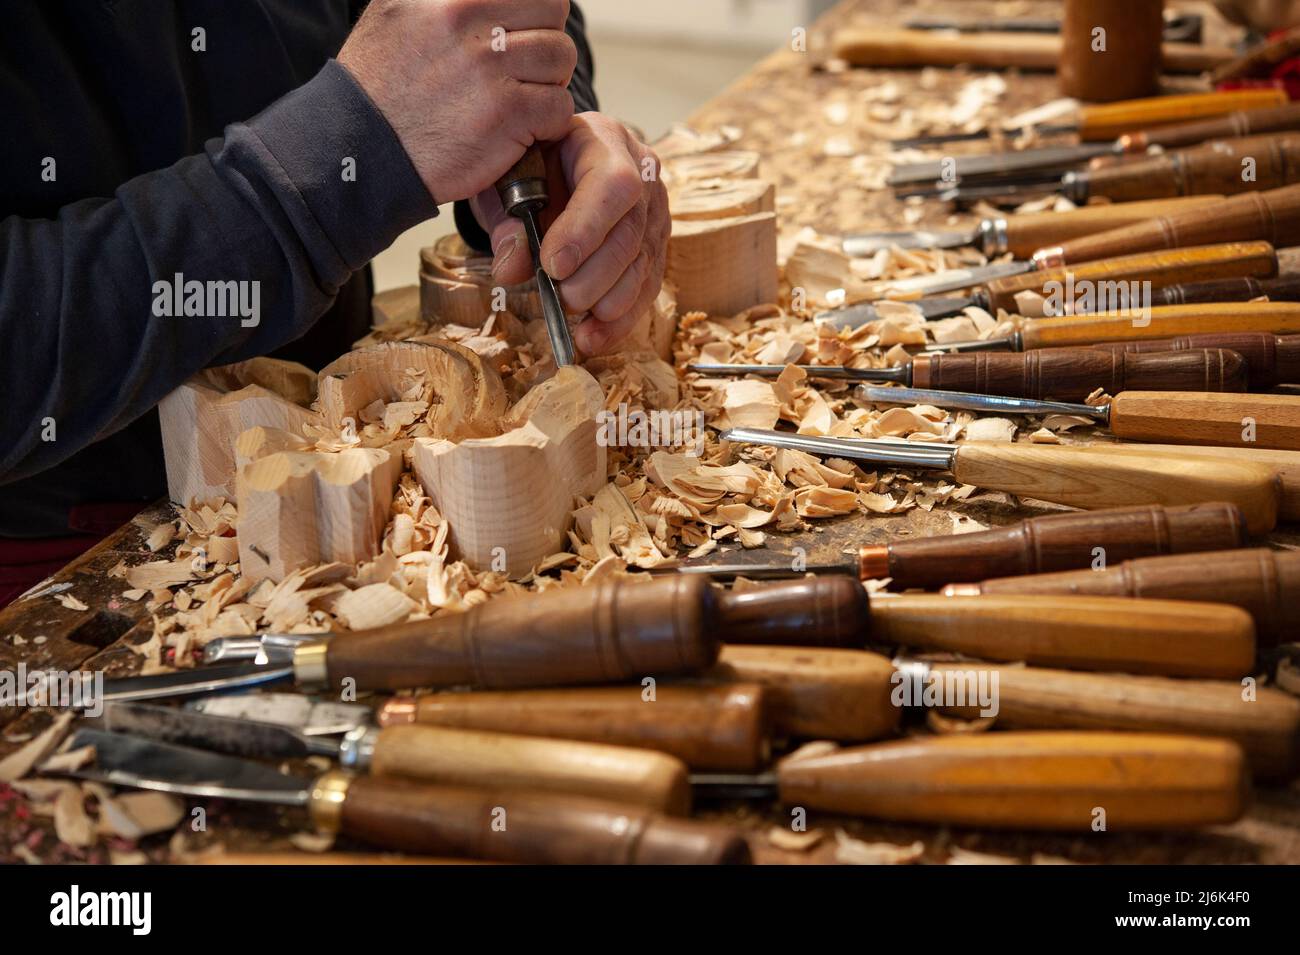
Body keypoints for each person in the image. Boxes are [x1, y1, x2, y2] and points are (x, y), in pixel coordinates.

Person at [0, 0, 670, 606]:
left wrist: (540, 116)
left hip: (361, 459)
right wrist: (334, 159)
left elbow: (498, 13)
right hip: (94, 556)